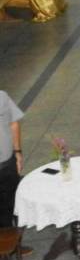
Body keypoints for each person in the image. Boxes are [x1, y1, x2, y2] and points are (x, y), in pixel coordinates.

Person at [0, 92, 24, 231]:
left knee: (12, 205)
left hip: (8, 164)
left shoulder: (2, 96)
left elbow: (13, 123)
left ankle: (12, 238)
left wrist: (18, 152)